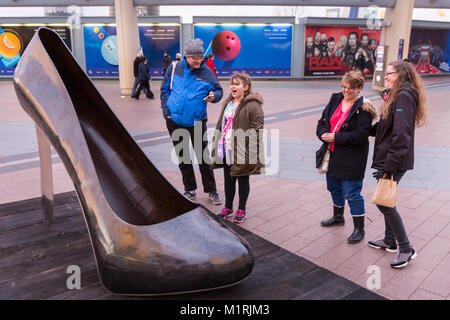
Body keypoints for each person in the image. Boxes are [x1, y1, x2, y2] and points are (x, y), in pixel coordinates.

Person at [368, 60, 427, 268]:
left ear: (400, 74)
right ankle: (389, 240)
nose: (385, 77)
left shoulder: (403, 96)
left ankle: (406, 248)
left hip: (394, 160)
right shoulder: (398, 94)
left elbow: (401, 135)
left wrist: (389, 165)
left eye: (389, 73)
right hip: (392, 158)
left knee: (384, 202)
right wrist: (366, 126)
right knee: (385, 199)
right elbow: (388, 126)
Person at [160, 38, 223, 204]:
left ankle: (211, 190)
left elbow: (218, 90)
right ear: (186, 57)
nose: (198, 60)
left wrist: (213, 96)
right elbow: (164, 90)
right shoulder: (174, 68)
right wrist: (166, 112)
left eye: (200, 57)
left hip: (196, 122)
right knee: (183, 157)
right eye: (195, 57)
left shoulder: (206, 72)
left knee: (203, 158)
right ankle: (190, 189)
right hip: (174, 121)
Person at [316, 71, 376, 243]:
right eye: (344, 87)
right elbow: (322, 122)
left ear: (359, 89)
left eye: (350, 88)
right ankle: (338, 217)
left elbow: (360, 134)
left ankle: (359, 228)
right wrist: (322, 134)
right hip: (332, 153)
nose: (346, 91)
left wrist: (335, 137)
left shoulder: (363, 108)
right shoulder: (335, 99)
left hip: (352, 157)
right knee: (333, 187)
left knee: (352, 193)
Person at [211, 73, 264, 224]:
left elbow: (257, 130)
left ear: (245, 87)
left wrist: (250, 151)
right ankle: (228, 207)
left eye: (237, 84)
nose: (233, 87)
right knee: (228, 179)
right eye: (231, 84)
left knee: (242, 179)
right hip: (226, 148)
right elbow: (221, 124)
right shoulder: (228, 103)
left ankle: (242, 209)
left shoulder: (253, 105)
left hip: (243, 149)